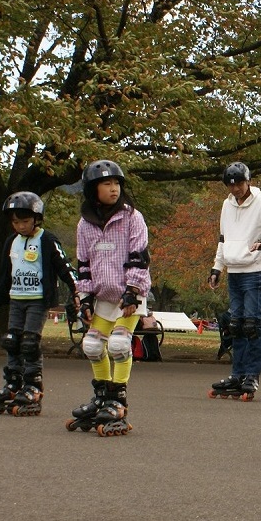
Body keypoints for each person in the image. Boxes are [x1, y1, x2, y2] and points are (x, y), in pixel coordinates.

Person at [66, 160, 152, 436]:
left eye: (116, 183)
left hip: (129, 296)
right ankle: (102, 396)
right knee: (92, 345)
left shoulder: (132, 217)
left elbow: (140, 256)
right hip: (102, 296)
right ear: (93, 189)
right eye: (106, 184)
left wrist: (132, 292)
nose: (113, 189)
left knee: (117, 345)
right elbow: (84, 264)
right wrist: (86, 297)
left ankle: (118, 400)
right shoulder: (84, 224)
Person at [0, 191, 81, 416]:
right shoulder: (12, 242)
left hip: (37, 300)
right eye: (15, 222)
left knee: (29, 342)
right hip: (16, 298)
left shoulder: (47, 240)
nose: (20, 226)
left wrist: (77, 289)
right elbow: (5, 275)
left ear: (37, 219)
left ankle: (33, 386)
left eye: (25, 221)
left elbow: (64, 266)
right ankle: (13, 383)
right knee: (11, 341)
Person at [207, 162, 261, 401]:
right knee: (236, 325)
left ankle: (252, 375)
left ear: (248, 181)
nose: (235, 189)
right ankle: (237, 374)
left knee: (252, 325)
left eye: (239, 183)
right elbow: (223, 239)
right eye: (230, 185)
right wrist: (217, 268)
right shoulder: (226, 205)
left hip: (255, 269)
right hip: (234, 271)